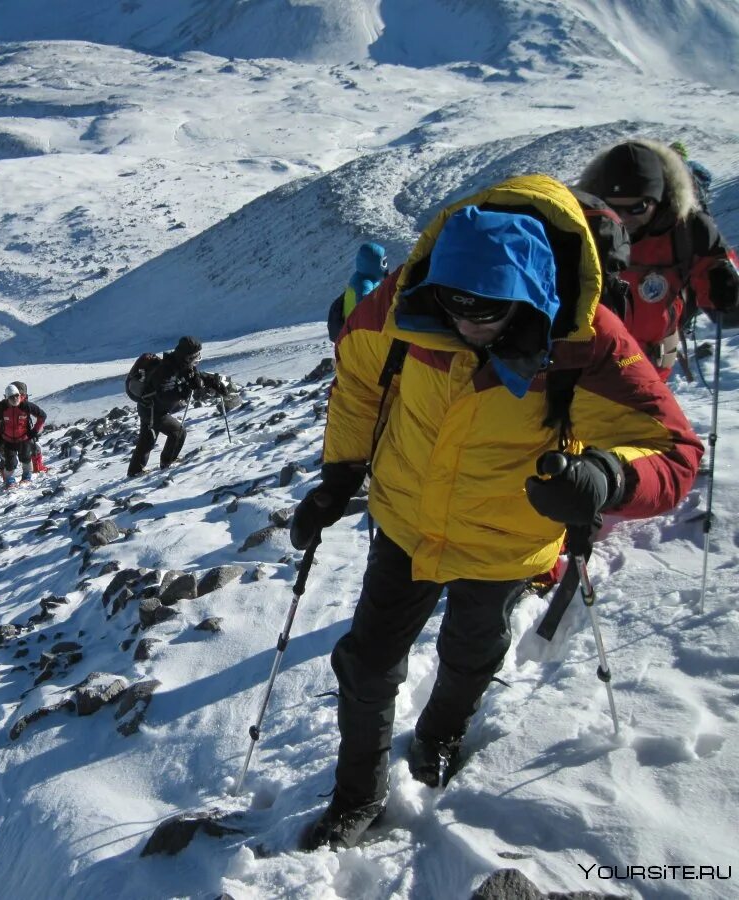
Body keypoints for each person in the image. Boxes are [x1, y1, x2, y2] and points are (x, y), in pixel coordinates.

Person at [289, 176, 703, 851]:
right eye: (454, 303)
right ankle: (356, 797)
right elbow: (360, 376)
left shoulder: (584, 336)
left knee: (472, 650)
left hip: (508, 537)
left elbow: (676, 451)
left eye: (489, 308)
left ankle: (442, 734)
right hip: (405, 519)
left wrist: (607, 475)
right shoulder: (402, 303)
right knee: (366, 665)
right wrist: (338, 478)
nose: (468, 320)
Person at [577, 139, 738, 379]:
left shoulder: (688, 231)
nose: (624, 218)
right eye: (615, 208)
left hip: (649, 371)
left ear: (658, 199)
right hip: (587, 369)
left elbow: (728, 312)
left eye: (637, 208)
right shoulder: (582, 223)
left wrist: (727, 290)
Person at [126, 335, 229, 477]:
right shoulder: (166, 370)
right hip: (152, 411)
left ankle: (137, 471)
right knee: (176, 433)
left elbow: (196, 376)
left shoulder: (181, 364)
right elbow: (165, 395)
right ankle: (166, 463)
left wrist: (213, 382)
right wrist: (186, 389)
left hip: (151, 409)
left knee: (149, 439)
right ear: (187, 356)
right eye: (195, 355)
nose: (197, 358)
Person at [0, 383, 47, 486]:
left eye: (17, 395)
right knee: (10, 463)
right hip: (7, 439)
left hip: (24, 438)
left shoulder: (26, 406)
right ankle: (10, 481)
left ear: (20, 395)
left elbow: (42, 416)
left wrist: (35, 431)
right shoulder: (1, 407)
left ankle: (26, 477)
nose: (15, 399)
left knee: (26, 458)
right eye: (11, 397)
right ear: (6, 397)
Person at [328, 242, 388, 342]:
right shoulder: (364, 284)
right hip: (357, 334)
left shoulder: (362, 278)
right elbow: (367, 308)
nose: (386, 266)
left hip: (354, 329)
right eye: (383, 262)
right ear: (374, 263)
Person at [9, 381, 48, 473]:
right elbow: (42, 416)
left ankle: (7, 477)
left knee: (8, 455)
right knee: (35, 447)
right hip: (24, 434)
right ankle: (37, 467)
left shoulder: (7, 405)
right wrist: (34, 431)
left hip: (10, 436)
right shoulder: (25, 404)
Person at [670, 140, 713, 213]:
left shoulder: (689, 166)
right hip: (697, 200)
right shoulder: (691, 165)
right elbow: (707, 176)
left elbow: (707, 177)